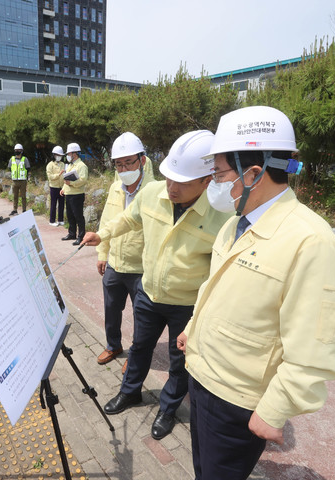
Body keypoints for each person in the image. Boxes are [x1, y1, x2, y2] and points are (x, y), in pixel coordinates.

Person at [177, 106, 335, 479]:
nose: (214, 185)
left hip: (238, 401)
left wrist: (274, 410)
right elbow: (215, 288)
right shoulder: (235, 224)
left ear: (253, 173)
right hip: (203, 377)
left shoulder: (311, 243)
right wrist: (193, 326)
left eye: (219, 175)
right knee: (202, 470)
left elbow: (315, 349)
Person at [82, 130, 231, 441]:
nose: (172, 188)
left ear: (207, 180)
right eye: (169, 178)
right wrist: (103, 235)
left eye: (183, 182)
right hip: (149, 293)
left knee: (179, 362)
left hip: (187, 302)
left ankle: (167, 409)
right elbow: (129, 219)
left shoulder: (222, 216)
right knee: (139, 348)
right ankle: (130, 392)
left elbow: (222, 273)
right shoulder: (152, 194)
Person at [94, 132, 154, 366]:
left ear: (142, 160)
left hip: (141, 267)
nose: (123, 168)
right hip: (115, 263)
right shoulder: (114, 188)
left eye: (128, 161)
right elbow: (106, 222)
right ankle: (113, 345)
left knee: (141, 316)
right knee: (111, 309)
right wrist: (102, 254)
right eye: (119, 163)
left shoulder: (156, 190)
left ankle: (136, 356)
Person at [60, 142, 88, 245]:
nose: (68, 156)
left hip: (77, 194)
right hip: (69, 193)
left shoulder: (82, 166)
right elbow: (66, 178)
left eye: (69, 154)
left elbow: (83, 180)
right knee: (70, 215)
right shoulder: (70, 166)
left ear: (74, 154)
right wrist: (63, 188)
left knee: (78, 216)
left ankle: (81, 236)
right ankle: (72, 233)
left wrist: (71, 183)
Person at [8, 143, 30, 215]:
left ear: (22, 151)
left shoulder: (25, 159)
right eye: (16, 150)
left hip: (23, 181)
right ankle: (15, 210)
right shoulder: (12, 159)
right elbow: (10, 168)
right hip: (15, 181)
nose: (17, 151)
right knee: (15, 196)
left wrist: (27, 178)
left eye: (19, 150)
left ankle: (24, 210)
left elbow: (28, 168)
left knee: (23, 196)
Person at [46, 146, 65, 226]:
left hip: (62, 187)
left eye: (60, 155)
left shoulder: (62, 164)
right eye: (57, 155)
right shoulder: (50, 165)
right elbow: (50, 177)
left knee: (62, 204)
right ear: (53, 155)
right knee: (53, 204)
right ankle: (52, 220)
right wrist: (59, 174)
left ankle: (60, 219)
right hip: (54, 187)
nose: (59, 157)